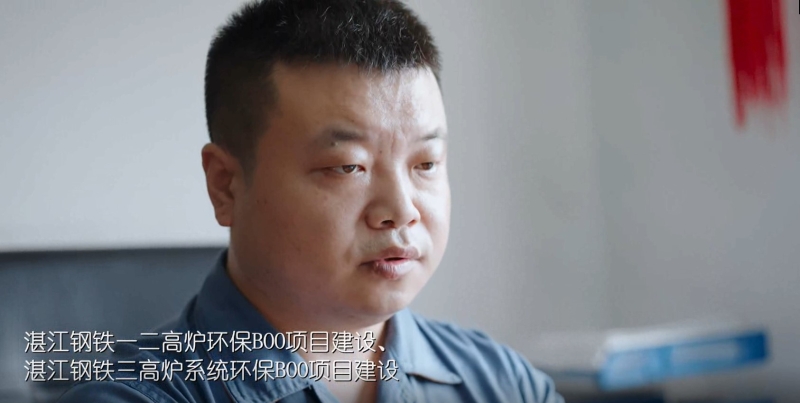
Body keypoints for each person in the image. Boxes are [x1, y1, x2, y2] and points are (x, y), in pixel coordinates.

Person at [58, 1, 563, 402]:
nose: (401, 210)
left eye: (425, 163)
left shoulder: (504, 383)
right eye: (347, 167)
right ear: (226, 185)